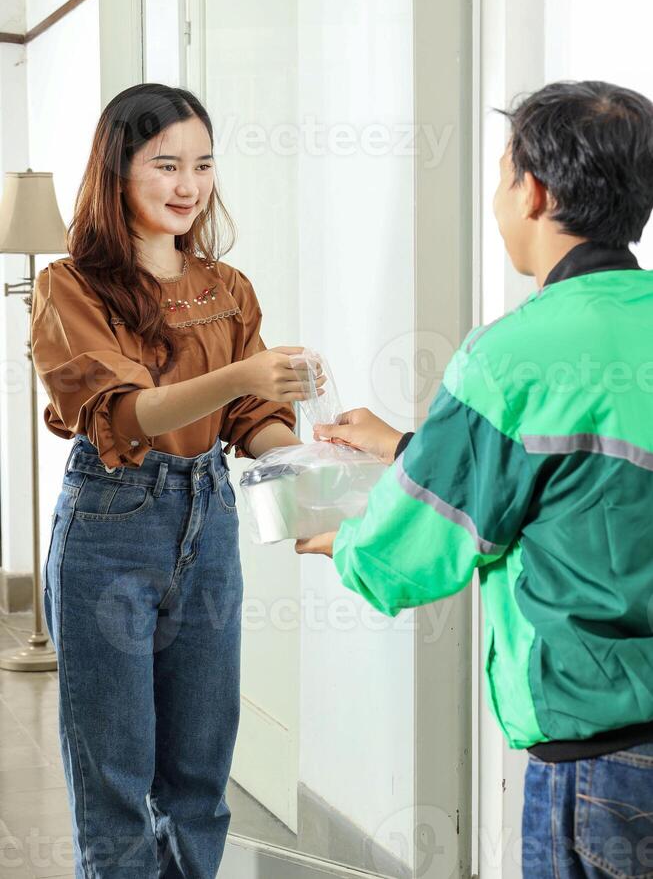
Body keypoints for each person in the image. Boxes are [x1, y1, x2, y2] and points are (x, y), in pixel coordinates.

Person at [296, 80, 653, 879]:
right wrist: (407, 446)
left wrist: (344, 542)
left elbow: (412, 556)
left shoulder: (511, 355)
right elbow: (584, 485)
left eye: (501, 176)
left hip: (596, 760)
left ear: (533, 191)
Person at [32, 82, 324, 878]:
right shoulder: (70, 287)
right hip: (108, 529)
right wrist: (240, 374)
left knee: (200, 773)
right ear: (117, 171)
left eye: (201, 163)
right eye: (165, 164)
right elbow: (130, 415)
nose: (188, 185)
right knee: (117, 778)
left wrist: (301, 455)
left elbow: (250, 420)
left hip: (211, 520)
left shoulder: (226, 288)